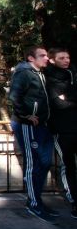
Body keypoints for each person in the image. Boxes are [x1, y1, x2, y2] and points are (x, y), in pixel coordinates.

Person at [9, 45, 58, 224]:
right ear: (31, 58)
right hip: (27, 124)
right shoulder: (24, 73)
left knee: (44, 162)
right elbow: (14, 97)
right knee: (32, 163)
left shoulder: (41, 74)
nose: (47, 58)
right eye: (42, 55)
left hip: (42, 125)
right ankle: (33, 203)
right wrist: (26, 115)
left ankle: (37, 199)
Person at [44, 48, 77, 218]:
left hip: (75, 126)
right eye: (62, 58)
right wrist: (69, 100)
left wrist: (68, 97)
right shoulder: (48, 79)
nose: (66, 60)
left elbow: (65, 101)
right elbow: (57, 104)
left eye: (68, 57)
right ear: (52, 60)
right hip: (61, 130)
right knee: (68, 166)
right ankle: (74, 201)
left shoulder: (73, 74)